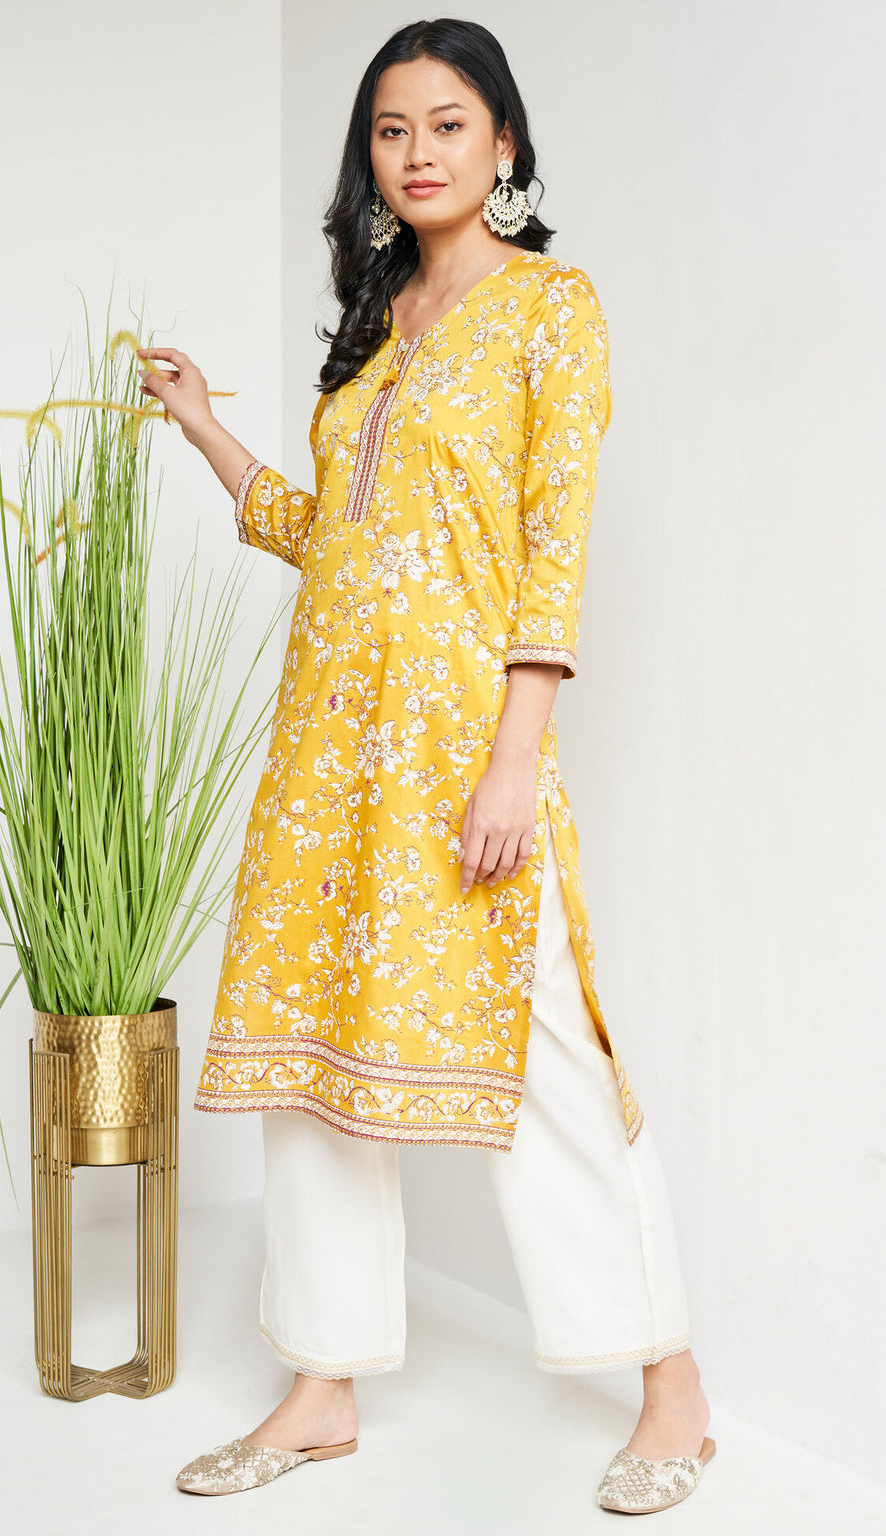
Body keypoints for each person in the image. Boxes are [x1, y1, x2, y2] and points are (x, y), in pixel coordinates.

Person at [137, 17, 715, 1517]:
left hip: (465, 748)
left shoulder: (550, 312)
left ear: (505, 143)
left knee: (536, 1053)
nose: (419, 153)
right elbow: (338, 539)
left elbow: (550, 544)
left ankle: (669, 1382)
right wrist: (206, 433)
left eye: (449, 126)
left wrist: (515, 756)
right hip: (325, 753)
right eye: (393, 131)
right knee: (313, 1067)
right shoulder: (376, 321)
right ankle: (322, 1385)